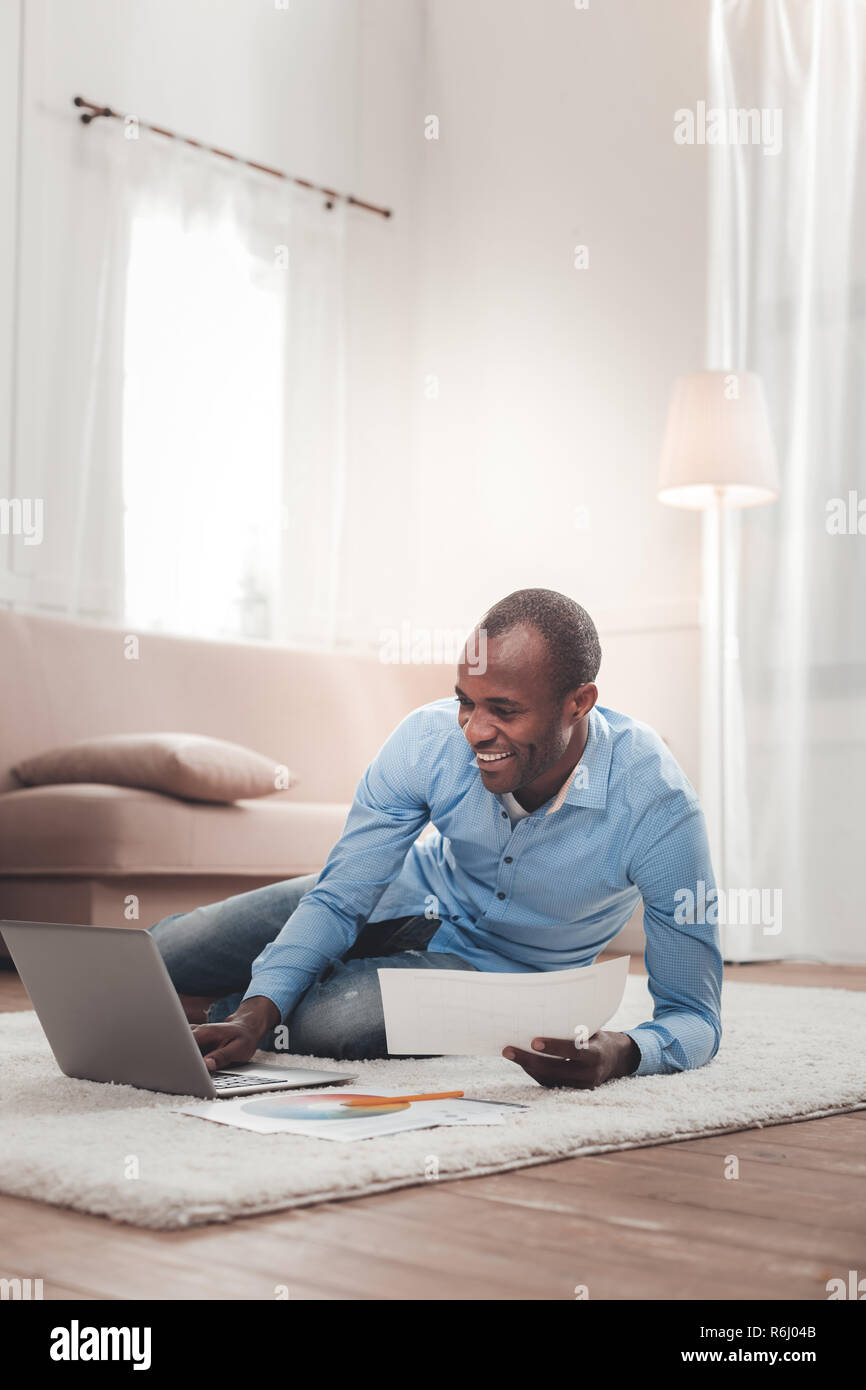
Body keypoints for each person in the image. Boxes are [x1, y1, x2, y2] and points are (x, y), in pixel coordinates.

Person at [149, 588, 722, 1089]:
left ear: (579, 702)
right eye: (466, 701)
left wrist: (623, 1053)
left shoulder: (658, 805)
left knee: (340, 1021)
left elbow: (695, 1016)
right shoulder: (425, 741)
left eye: (504, 710)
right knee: (168, 952)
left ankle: (204, 1011)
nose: (475, 730)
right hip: (409, 894)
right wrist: (258, 1009)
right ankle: (217, 1000)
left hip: (508, 972)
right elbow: (340, 895)